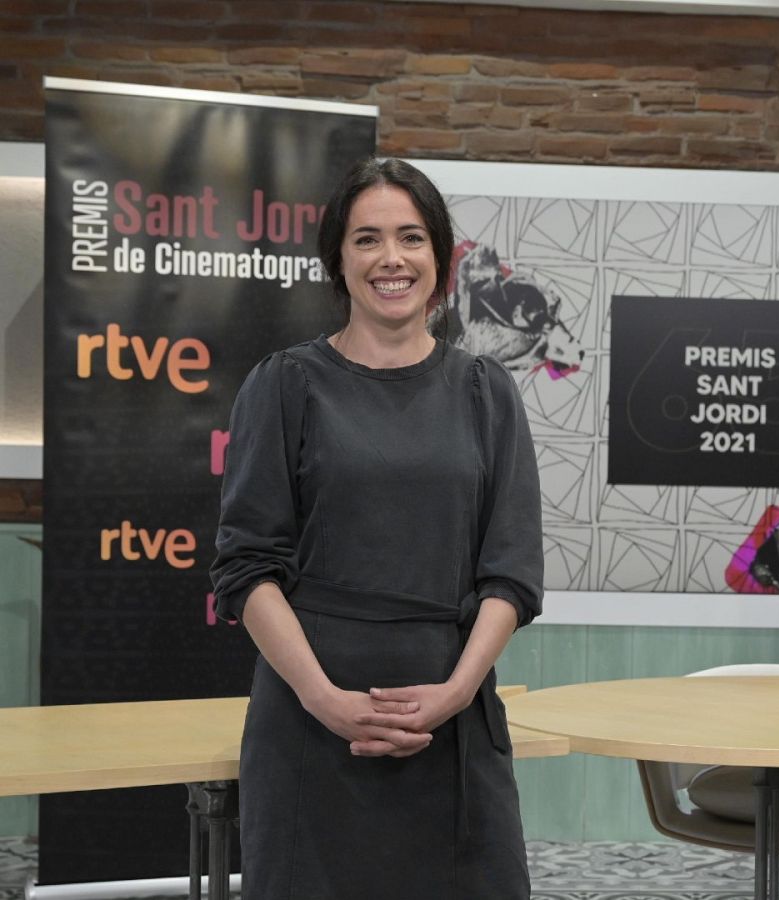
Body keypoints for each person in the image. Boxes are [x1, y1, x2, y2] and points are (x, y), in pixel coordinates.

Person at [211, 157, 543, 899]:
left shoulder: (488, 393)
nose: (391, 258)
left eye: (411, 238)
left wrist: (456, 692)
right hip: (311, 727)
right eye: (367, 239)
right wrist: (326, 700)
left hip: (452, 724)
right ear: (338, 258)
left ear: (441, 258)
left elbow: (511, 572)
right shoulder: (284, 385)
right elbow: (246, 569)